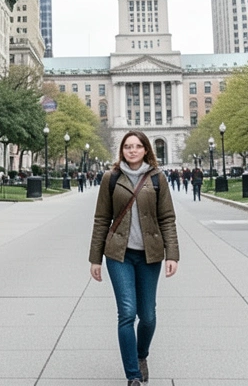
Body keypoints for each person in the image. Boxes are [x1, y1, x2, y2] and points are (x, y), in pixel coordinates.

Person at [89, 130, 179, 386]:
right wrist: (95, 258)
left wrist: (172, 254)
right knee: (127, 313)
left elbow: (167, 218)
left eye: (137, 146)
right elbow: (101, 219)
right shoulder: (111, 178)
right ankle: (133, 375)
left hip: (150, 255)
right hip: (119, 255)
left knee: (148, 316)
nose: (132, 150)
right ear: (122, 151)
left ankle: (141, 356)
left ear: (146, 149)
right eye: (127, 146)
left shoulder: (158, 178)